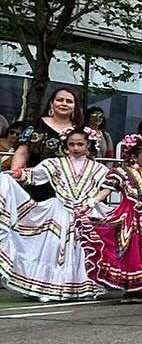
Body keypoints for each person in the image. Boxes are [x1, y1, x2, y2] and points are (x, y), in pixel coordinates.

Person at [0, 127, 107, 301]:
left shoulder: (98, 168)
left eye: (80, 144)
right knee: (53, 249)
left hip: (84, 212)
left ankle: (83, 287)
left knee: (82, 250)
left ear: (88, 146)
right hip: (60, 211)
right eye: (71, 144)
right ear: (65, 146)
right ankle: (50, 287)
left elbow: (108, 185)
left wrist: (92, 202)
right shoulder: (55, 163)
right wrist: (18, 173)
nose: (76, 147)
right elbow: (35, 175)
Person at [84, 133, 142, 299]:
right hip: (127, 218)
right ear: (133, 157)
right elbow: (106, 190)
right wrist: (91, 202)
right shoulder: (121, 173)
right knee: (129, 252)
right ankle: (132, 288)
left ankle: (141, 286)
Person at [8, 86, 82, 174]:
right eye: (59, 100)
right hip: (36, 180)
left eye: (69, 101)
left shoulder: (81, 131)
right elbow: (22, 152)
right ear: (51, 104)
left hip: (70, 183)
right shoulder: (34, 126)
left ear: (75, 106)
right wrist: (14, 172)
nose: (64, 104)